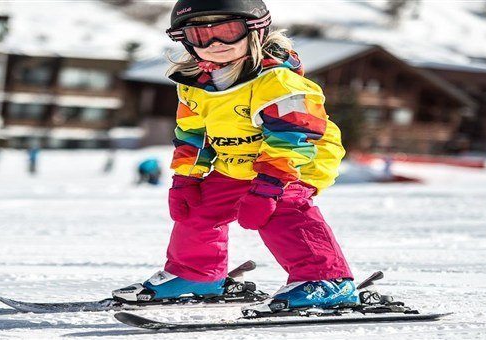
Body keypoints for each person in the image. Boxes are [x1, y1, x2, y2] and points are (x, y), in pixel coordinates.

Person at [113, 0, 358, 309]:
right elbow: (192, 135)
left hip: (297, 160)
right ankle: (197, 275)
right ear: (186, 40)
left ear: (254, 31)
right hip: (238, 164)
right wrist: (186, 179)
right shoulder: (195, 86)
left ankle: (326, 279)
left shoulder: (279, 83)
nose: (216, 43)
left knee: (281, 208)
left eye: (227, 32)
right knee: (199, 208)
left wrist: (268, 189)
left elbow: (292, 139)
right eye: (202, 35)